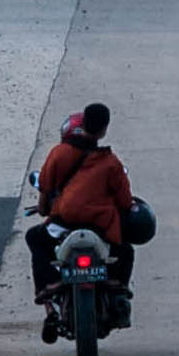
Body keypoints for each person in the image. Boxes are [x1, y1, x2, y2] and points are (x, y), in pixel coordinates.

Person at [31, 102, 136, 323]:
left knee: (35, 237)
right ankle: (117, 286)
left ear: (83, 124)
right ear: (104, 129)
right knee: (125, 249)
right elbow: (125, 202)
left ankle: (49, 284)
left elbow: (45, 188)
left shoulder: (59, 154)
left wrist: (43, 208)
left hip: (64, 222)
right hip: (101, 227)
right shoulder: (111, 162)